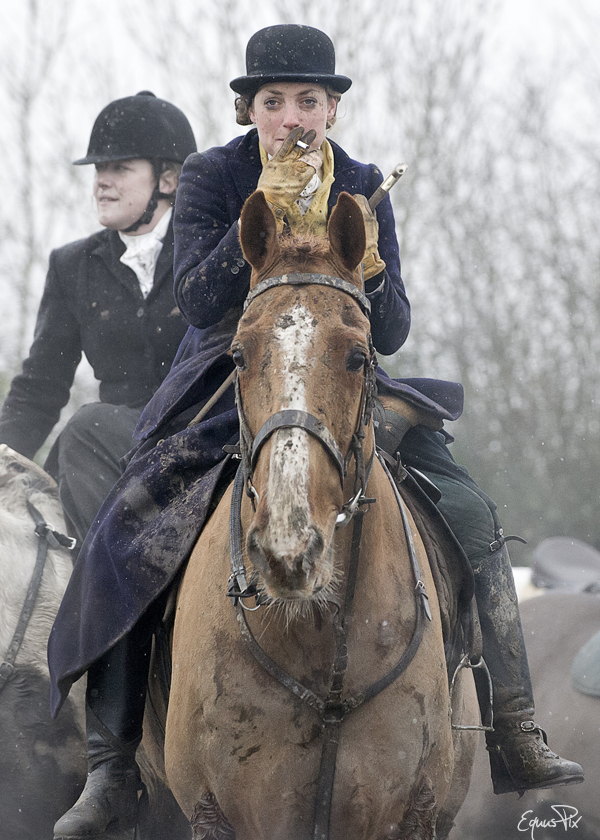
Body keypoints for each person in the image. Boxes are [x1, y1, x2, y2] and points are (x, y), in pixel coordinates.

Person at [49, 25, 582, 840]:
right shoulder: (209, 179)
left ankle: (513, 723)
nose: (291, 118)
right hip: (231, 378)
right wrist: (251, 224)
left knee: (471, 512)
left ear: (332, 108)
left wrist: (361, 256)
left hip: (342, 374)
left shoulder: (365, 182)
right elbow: (195, 304)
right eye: (273, 102)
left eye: (307, 101)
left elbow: (393, 325)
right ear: (248, 110)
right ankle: (113, 765)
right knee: (127, 525)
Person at [0, 91, 196, 544]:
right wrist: (5, 456)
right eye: (98, 170)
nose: (101, 183)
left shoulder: (207, 249)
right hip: (113, 451)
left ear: (168, 178)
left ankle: (107, 583)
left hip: (198, 432)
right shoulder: (73, 266)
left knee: (86, 427)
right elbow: (40, 386)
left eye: (120, 169)